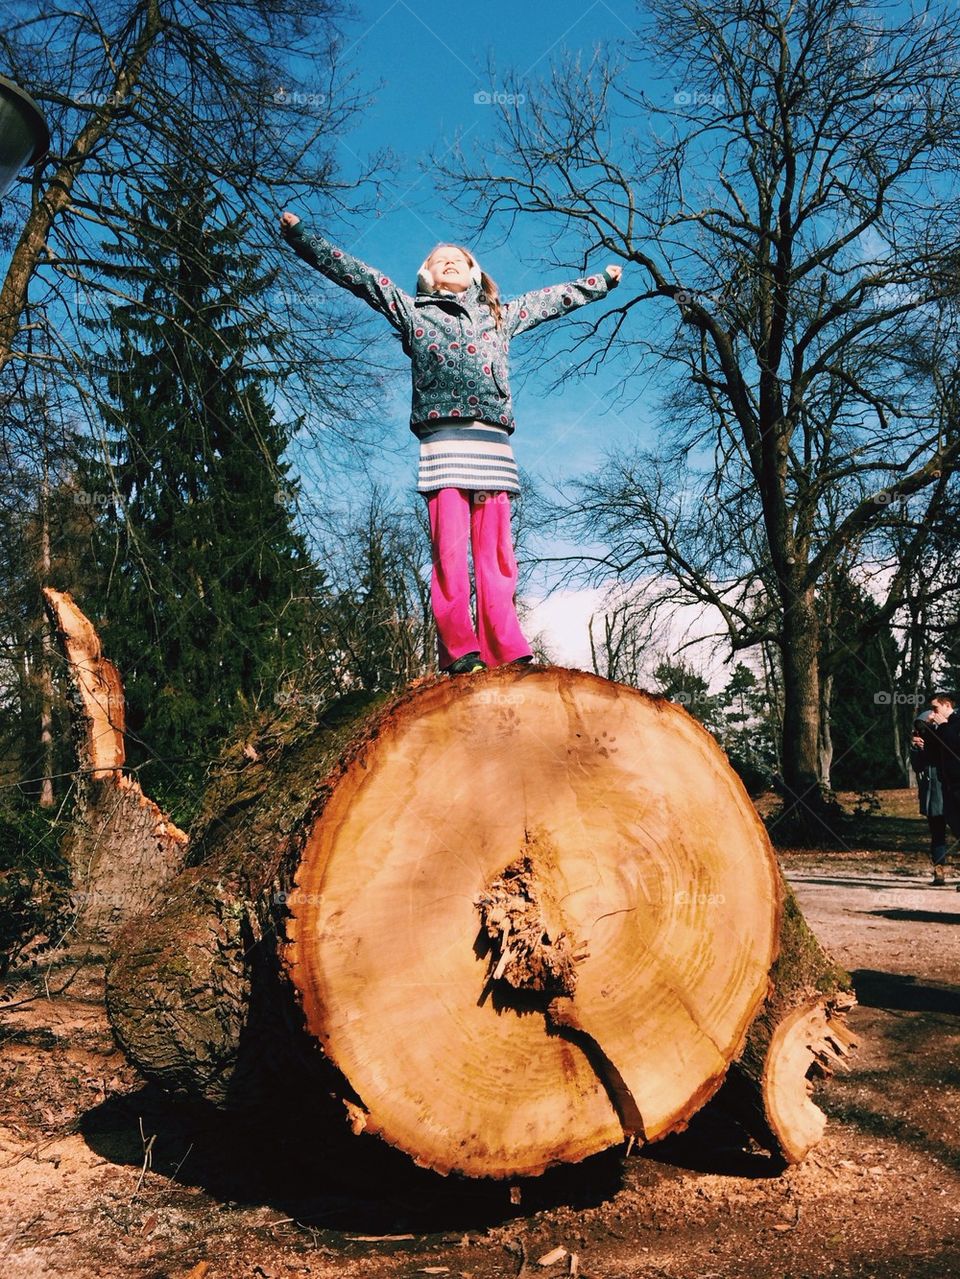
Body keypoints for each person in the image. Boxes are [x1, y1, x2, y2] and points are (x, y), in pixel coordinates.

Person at [278, 211, 622, 674]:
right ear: (428, 276)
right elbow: (358, 276)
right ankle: (461, 650)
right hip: (443, 443)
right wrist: (302, 237)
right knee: (450, 552)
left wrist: (601, 282)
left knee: (496, 553)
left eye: (457, 258)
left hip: (491, 442)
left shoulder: (500, 316)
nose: (449, 261)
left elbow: (552, 299)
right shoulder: (412, 311)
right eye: (440, 260)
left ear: (474, 273)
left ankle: (505, 646)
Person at [918, 692, 960, 886]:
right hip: (947, 786)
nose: (932, 713)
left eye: (935, 708)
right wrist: (924, 736)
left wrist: (942, 726)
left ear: (947, 705)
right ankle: (939, 871)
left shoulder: (955, 723)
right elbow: (929, 755)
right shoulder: (940, 727)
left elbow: (954, 746)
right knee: (950, 826)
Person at [910, 706, 949, 884]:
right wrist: (916, 748)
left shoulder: (948, 738)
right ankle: (939, 870)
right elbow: (918, 767)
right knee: (937, 834)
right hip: (934, 795)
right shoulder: (922, 748)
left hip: (951, 792)